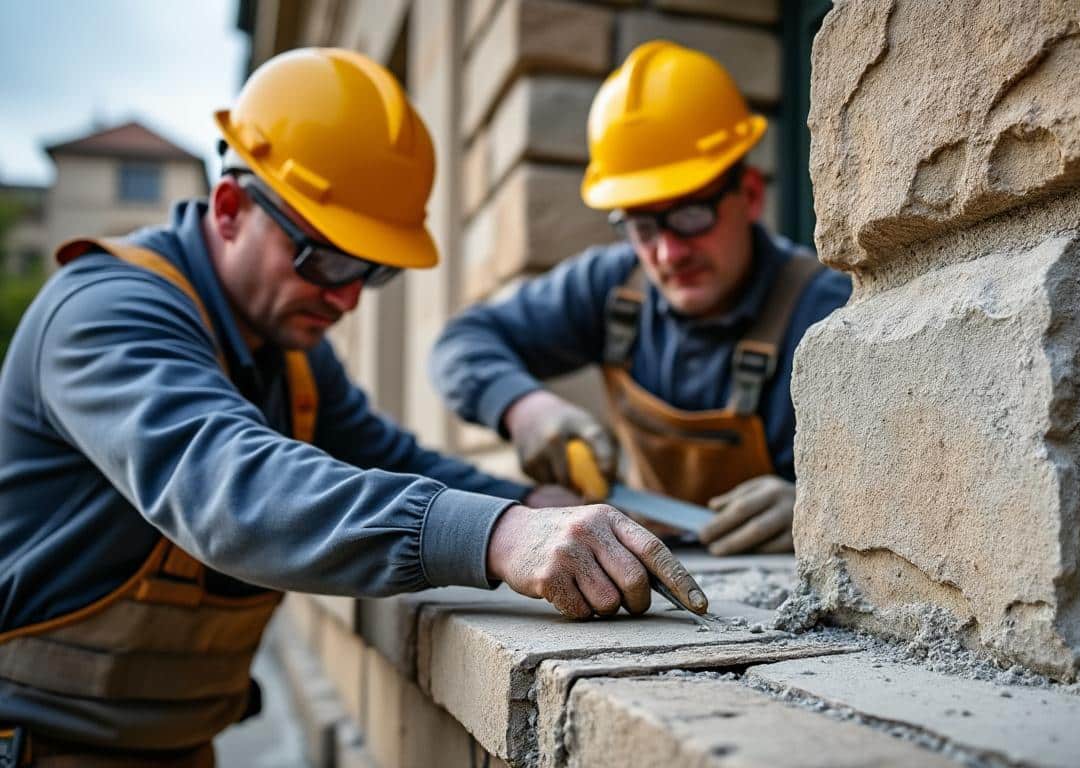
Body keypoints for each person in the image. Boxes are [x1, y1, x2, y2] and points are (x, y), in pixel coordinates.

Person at [0, 48, 705, 764]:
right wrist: (499, 535)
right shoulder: (104, 312)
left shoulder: (289, 351)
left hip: (177, 746)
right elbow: (231, 489)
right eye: (326, 260)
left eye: (372, 270)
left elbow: (388, 459)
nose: (344, 297)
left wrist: (539, 504)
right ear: (229, 208)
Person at [431, 41, 851, 557]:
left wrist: (820, 507)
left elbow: (896, 478)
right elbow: (461, 342)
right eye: (644, 225)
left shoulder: (827, 314)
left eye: (692, 214)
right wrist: (525, 410)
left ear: (749, 195)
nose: (669, 252)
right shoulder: (609, 287)